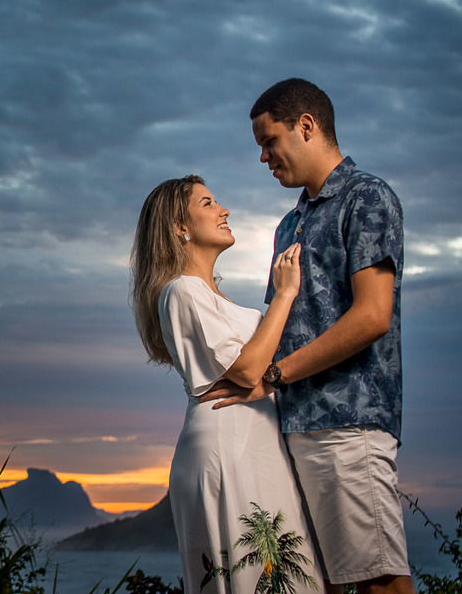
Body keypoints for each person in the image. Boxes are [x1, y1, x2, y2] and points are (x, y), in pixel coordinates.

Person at [203, 78, 411, 594]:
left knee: (380, 582)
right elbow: (280, 320)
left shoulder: (367, 198)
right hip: (292, 429)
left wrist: (274, 376)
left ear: (307, 126)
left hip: (348, 424)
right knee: (315, 586)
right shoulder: (288, 225)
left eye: (269, 141)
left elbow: (373, 316)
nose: (263, 157)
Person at [132, 175, 322, 594]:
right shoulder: (182, 291)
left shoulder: (208, 296)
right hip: (228, 446)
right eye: (208, 203)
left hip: (249, 442)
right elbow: (249, 370)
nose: (224, 210)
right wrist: (285, 294)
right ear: (179, 227)